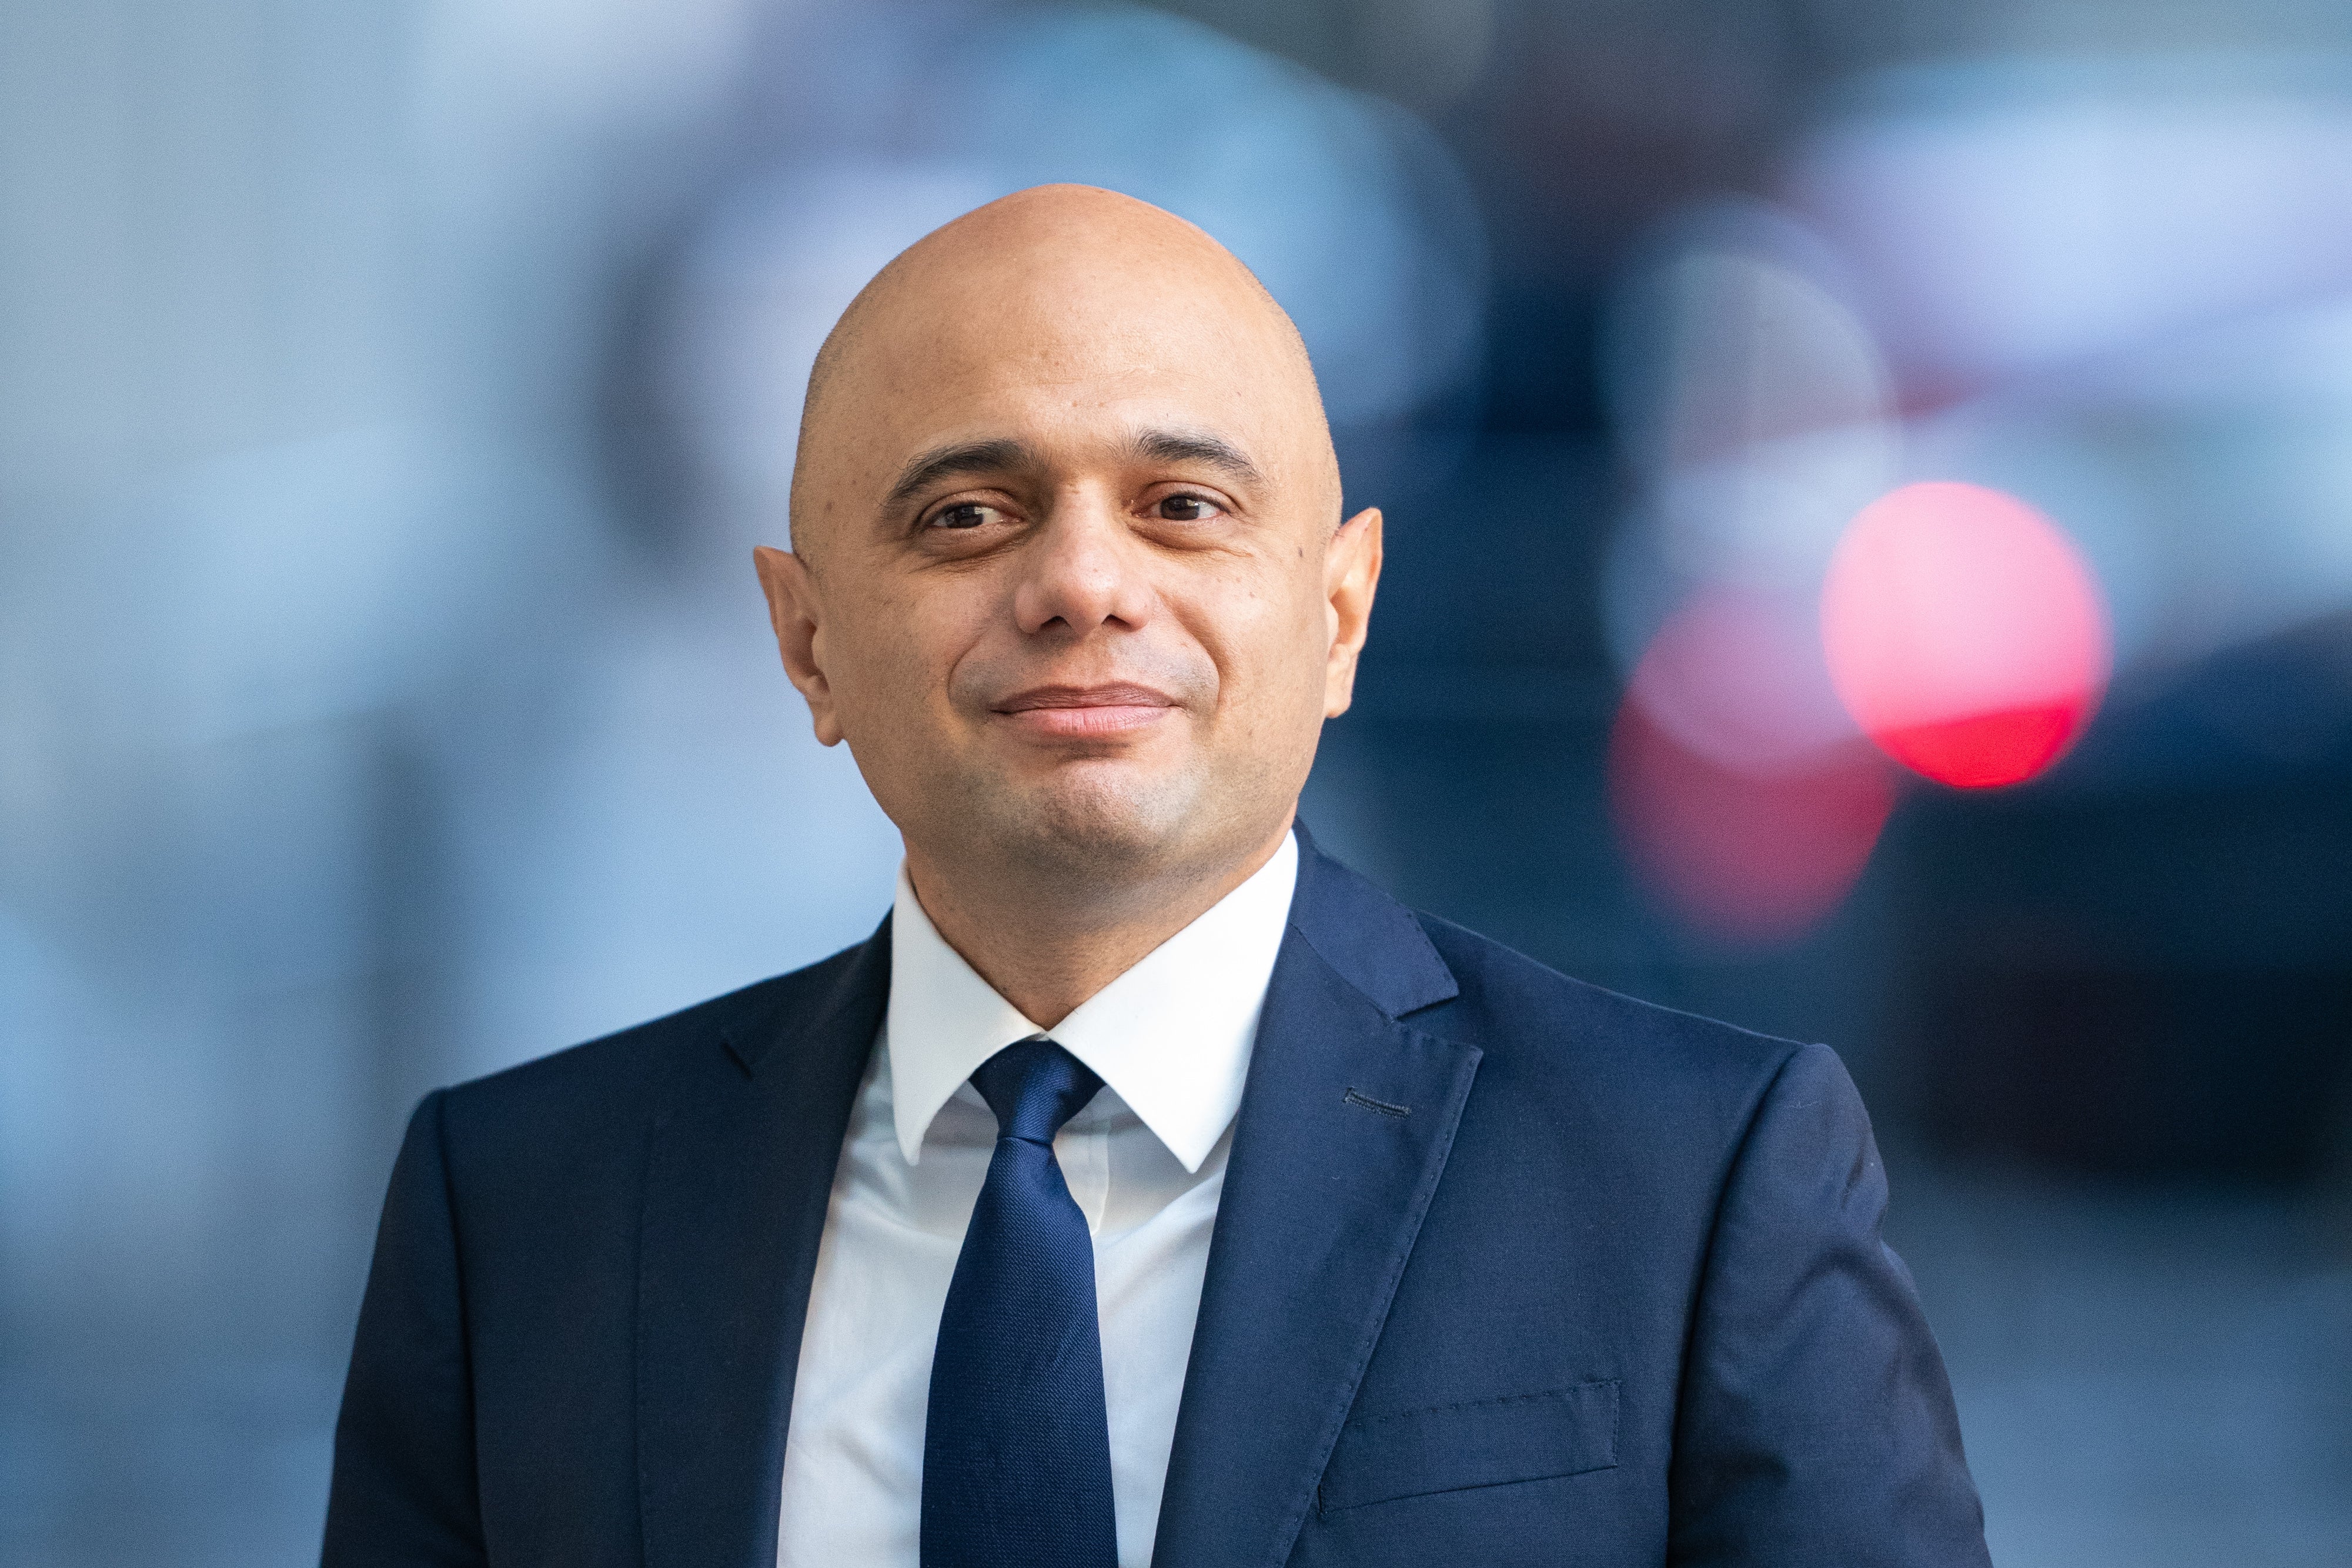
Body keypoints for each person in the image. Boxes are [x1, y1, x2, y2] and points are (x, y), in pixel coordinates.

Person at [323, 185, 1990, 1568]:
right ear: (807, 638)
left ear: (1340, 613)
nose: (1082, 583)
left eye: (1183, 504)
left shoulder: (1695, 1183)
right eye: (969, 515)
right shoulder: (518, 1215)